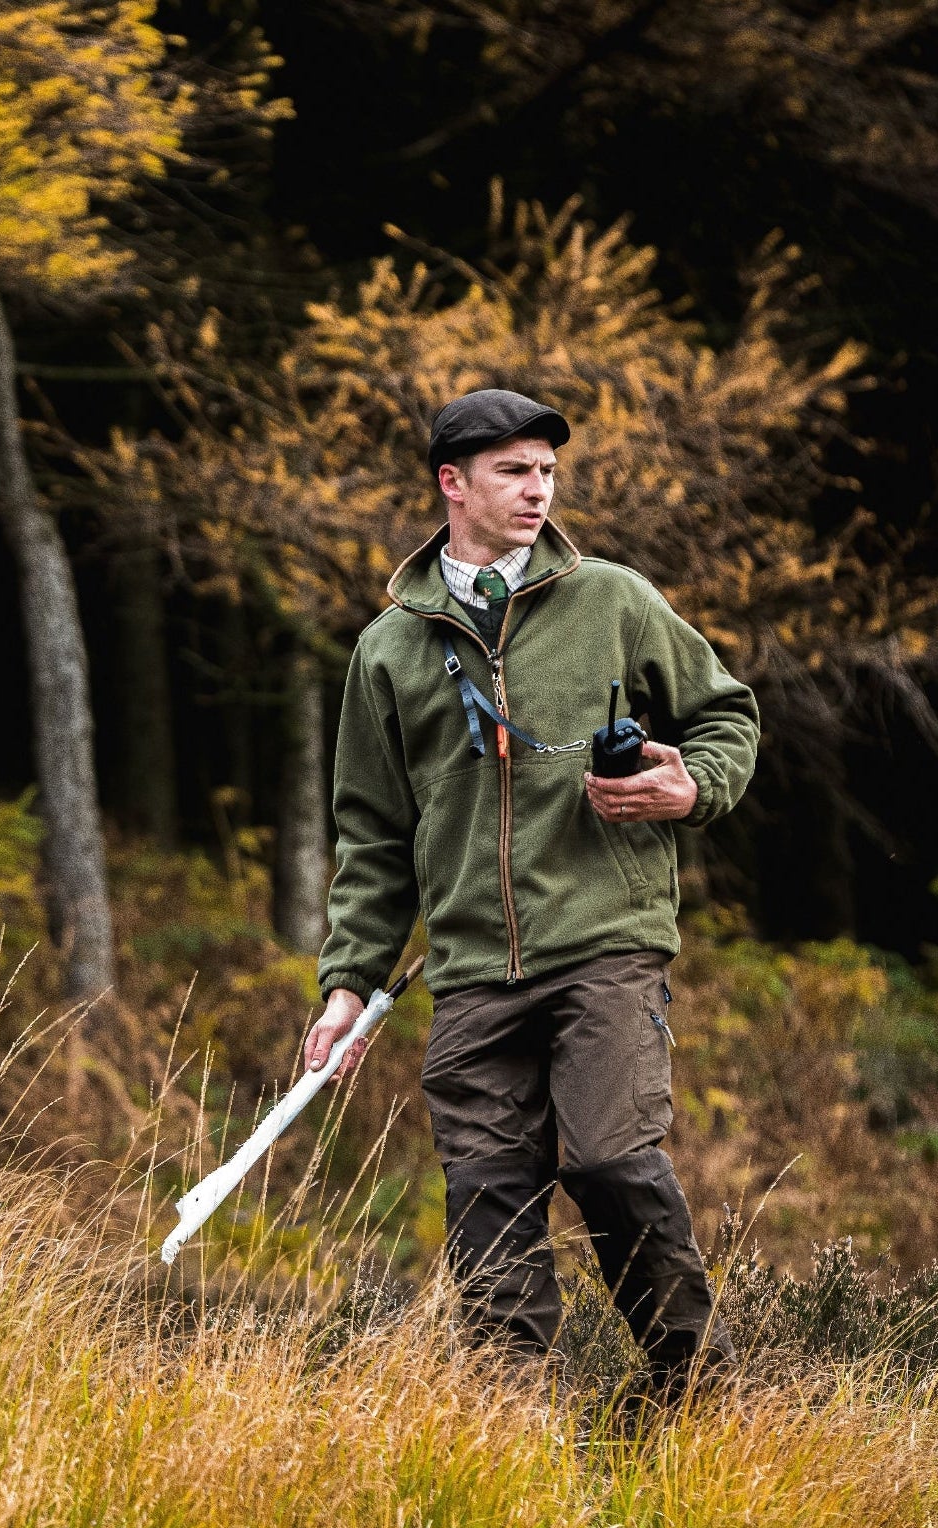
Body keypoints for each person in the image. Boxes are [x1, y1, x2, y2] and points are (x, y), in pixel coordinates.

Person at [303, 388, 759, 1394]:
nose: (537, 489)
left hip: (603, 942)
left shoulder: (614, 600)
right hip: (469, 970)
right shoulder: (388, 650)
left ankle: (703, 1390)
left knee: (610, 1163)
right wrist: (347, 985)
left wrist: (689, 785)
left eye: (546, 471)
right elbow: (372, 836)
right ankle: (510, 1425)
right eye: (513, 471)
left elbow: (728, 719)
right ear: (450, 483)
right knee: (487, 1197)